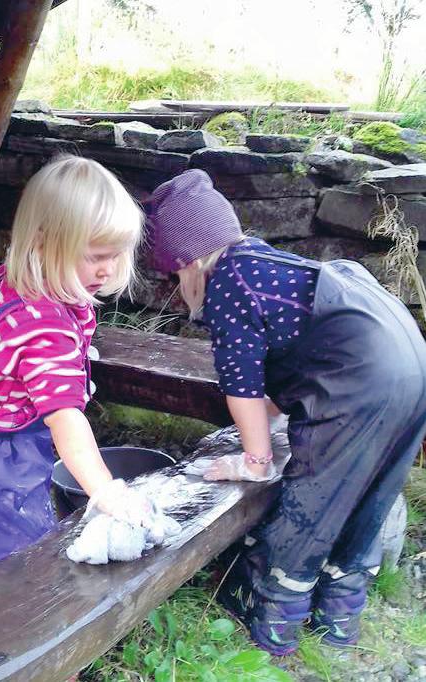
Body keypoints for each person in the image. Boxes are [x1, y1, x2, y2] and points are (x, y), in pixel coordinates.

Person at [146, 168, 426, 655]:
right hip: (410, 368)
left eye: (174, 275)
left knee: (308, 510)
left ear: (187, 261)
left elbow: (242, 384)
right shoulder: (265, 266)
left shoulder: (228, 283)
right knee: (366, 504)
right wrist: (271, 419)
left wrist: (253, 458)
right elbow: (292, 362)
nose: (177, 287)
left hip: (359, 384)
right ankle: (337, 630)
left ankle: (272, 633)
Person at [0, 155, 150, 577]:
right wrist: (105, 490)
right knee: (7, 545)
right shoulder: (44, 332)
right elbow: (66, 420)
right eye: (95, 256)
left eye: (116, 255)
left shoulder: (27, 276)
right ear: (45, 244)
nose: (107, 270)